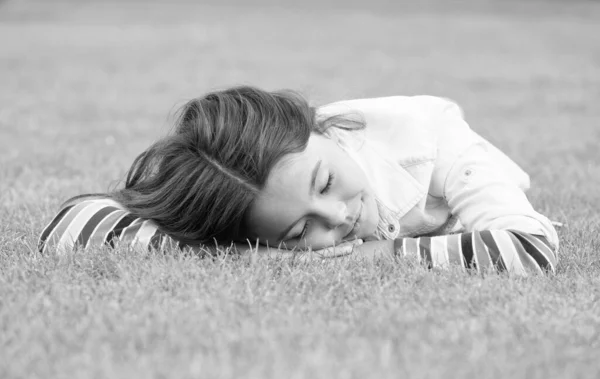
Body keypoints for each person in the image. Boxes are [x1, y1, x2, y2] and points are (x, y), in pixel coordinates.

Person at [38, 86, 559, 276]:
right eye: (297, 233)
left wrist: (355, 260)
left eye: (326, 182)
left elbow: (529, 251)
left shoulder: (435, 140)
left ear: (326, 128)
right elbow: (74, 226)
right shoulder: (238, 189)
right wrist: (250, 258)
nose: (339, 217)